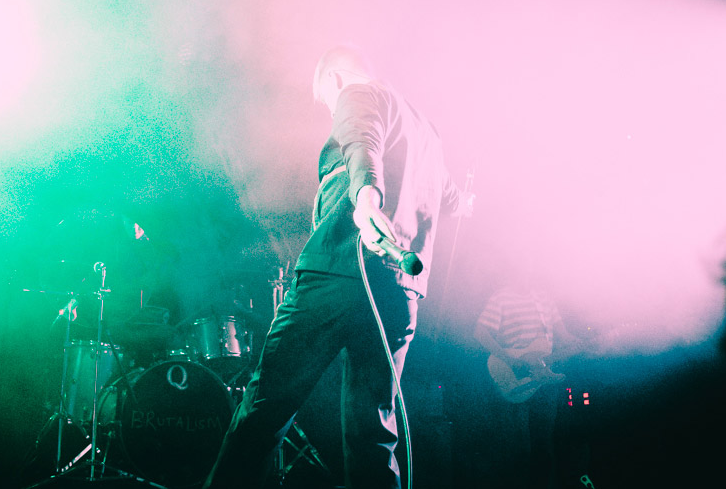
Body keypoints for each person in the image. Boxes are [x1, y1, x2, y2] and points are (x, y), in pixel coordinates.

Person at [203, 46, 473, 489]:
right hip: (400, 293)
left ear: (334, 80)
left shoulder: (358, 92)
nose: (333, 111)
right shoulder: (428, 133)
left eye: (327, 102)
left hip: (339, 269)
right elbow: (449, 198)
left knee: (267, 402)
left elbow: (361, 140)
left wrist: (367, 196)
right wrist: (466, 202)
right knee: (373, 431)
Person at [473, 277, 582, 489]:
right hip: (516, 376)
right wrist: (509, 359)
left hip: (544, 381)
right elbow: (480, 332)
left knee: (543, 445)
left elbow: (564, 336)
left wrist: (583, 344)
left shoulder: (544, 298)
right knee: (518, 446)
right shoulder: (501, 297)